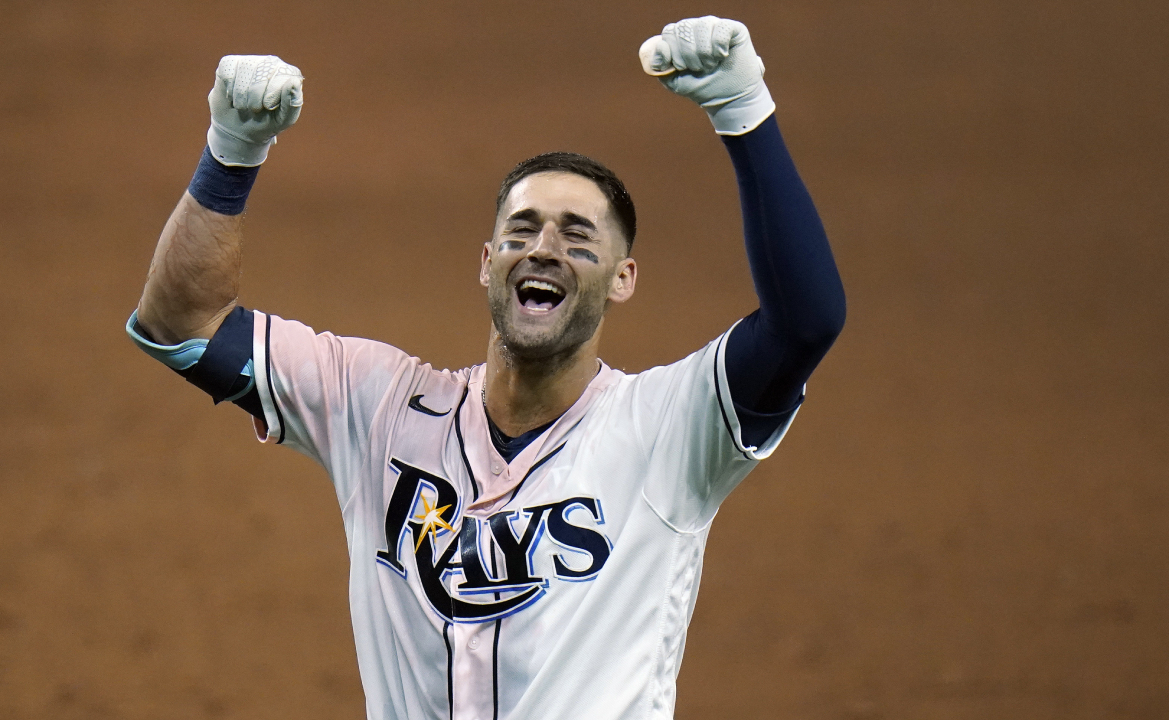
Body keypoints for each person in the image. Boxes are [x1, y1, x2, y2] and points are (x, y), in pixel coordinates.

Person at [128, 15, 845, 720]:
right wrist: (232, 151)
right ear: (487, 262)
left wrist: (743, 108)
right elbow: (182, 326)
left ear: (623, 278)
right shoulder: (376, 406)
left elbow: (805, 323)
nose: (543, 249)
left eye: (577, 236)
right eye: (522, 230)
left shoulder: (668, 429)